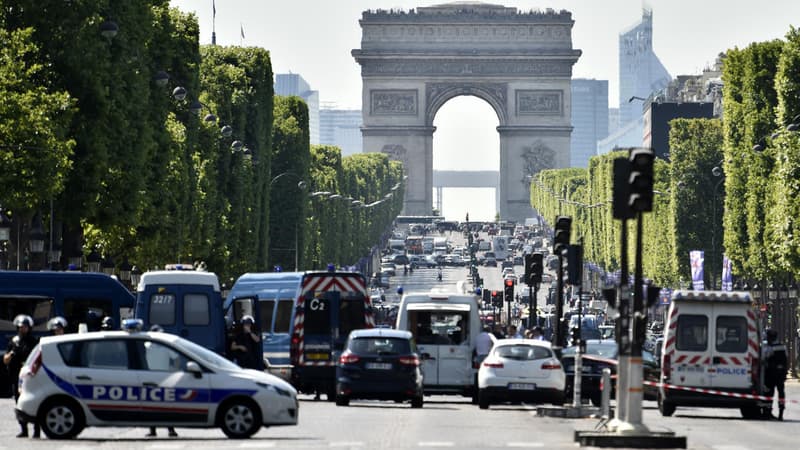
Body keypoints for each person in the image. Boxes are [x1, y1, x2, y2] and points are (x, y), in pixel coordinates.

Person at [4, 315, 40, 438]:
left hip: (29, 377)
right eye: (20, 327)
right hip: (16, 377)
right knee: (19, 403)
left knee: (34, 403)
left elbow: (38, 359)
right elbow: (5, 360)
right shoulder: (14, 341)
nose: (22, 329)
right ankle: (24, 430)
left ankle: (37, 430)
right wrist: (12, 353)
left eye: (25, 327)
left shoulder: (34, 342)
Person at [145, 324, 179, 437]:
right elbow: (176, 358)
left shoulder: (146, 346)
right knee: (166, 406)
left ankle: (153, 430)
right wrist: (175, 370)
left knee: (152, 407)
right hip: (164, 377)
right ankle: (170, 430)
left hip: (151, 378)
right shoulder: (165, 346)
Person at [763, 328, 788, 420]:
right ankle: (781, 413)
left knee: (769, 393)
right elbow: (786, 359)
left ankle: (767, 412)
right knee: (781, 393)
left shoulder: (769, 348)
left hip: (770, 374)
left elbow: (764, 359)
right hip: (781, 374)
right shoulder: (782, 346)